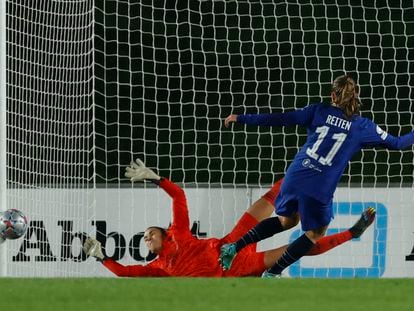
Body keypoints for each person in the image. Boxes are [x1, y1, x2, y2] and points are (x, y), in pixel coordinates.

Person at [220, 74, 414, 277]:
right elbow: (399, 143)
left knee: (287, 221)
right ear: (357, 97)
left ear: (333, 95)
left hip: (294, 177)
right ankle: (273, 272)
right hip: (319, 188)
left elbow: (281, 118)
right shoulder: (363, 126)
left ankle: (233, 247)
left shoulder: (318, 111)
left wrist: (241, 118)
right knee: (315, 233)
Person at [83, 158, 375, 277]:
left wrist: (157, 179)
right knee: (302, 248)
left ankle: (301, 174)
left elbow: (179, 197)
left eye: (150, 232)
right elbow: (123, 272)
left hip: (230, 244)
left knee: (264, 203)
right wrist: (101, 256)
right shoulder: (160, 268)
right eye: (145, 237)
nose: (146, 237)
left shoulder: (180, 235)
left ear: (164, 232)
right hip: (239, 267)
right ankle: (353, 232)